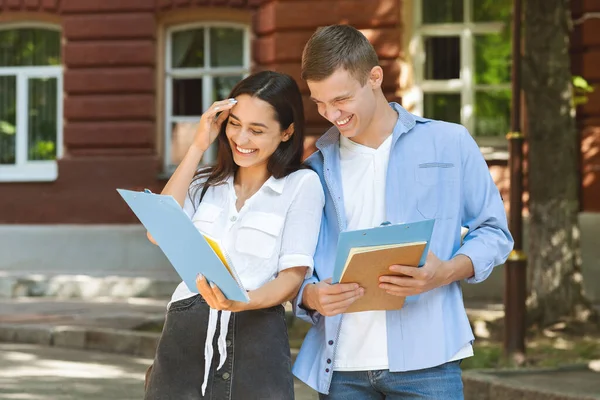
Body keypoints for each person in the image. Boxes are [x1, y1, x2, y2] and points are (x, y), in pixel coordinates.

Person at [292, 25, 514, 399]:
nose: (331, 114)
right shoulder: (314, 168)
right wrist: (309, 295)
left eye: (341, 99)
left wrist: (445, 271)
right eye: (319, 102)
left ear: (374, 77)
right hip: (341, 368)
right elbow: (296, 260)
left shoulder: (449, 142)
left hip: (429, 362)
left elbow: (494, 232)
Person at [144, 71, 325, 399]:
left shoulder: (301, 186)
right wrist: (198, 145)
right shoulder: (203, 183)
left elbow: (292, 277)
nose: (241, 139)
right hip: (186, 331)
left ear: (287, 132)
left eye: (257, 130)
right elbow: (158, 231)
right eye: (234, 124)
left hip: (256, 336)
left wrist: (242, 301)